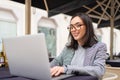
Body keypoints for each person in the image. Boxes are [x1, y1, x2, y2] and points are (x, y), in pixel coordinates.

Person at [50, 13, 108, 80]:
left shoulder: (99, 47)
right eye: (71, 27)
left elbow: (99, 70)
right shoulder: (68, 47)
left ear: (87, 27)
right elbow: (56, 62)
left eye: (78, 25)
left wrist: (67, 69)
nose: (73, 29)